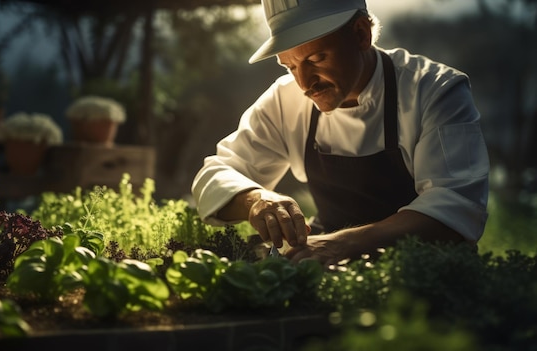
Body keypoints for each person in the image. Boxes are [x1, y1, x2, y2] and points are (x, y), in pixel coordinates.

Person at [191, 0, 489, 266]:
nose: (305, 83)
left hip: (423, 277)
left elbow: (455, 207)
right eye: (290, 66)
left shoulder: (435, 91)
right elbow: (215, 174)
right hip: (325, 265)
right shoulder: (285, 99)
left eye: (316, 59)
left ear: (361, 34)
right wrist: (256, 199)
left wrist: (342, 245)